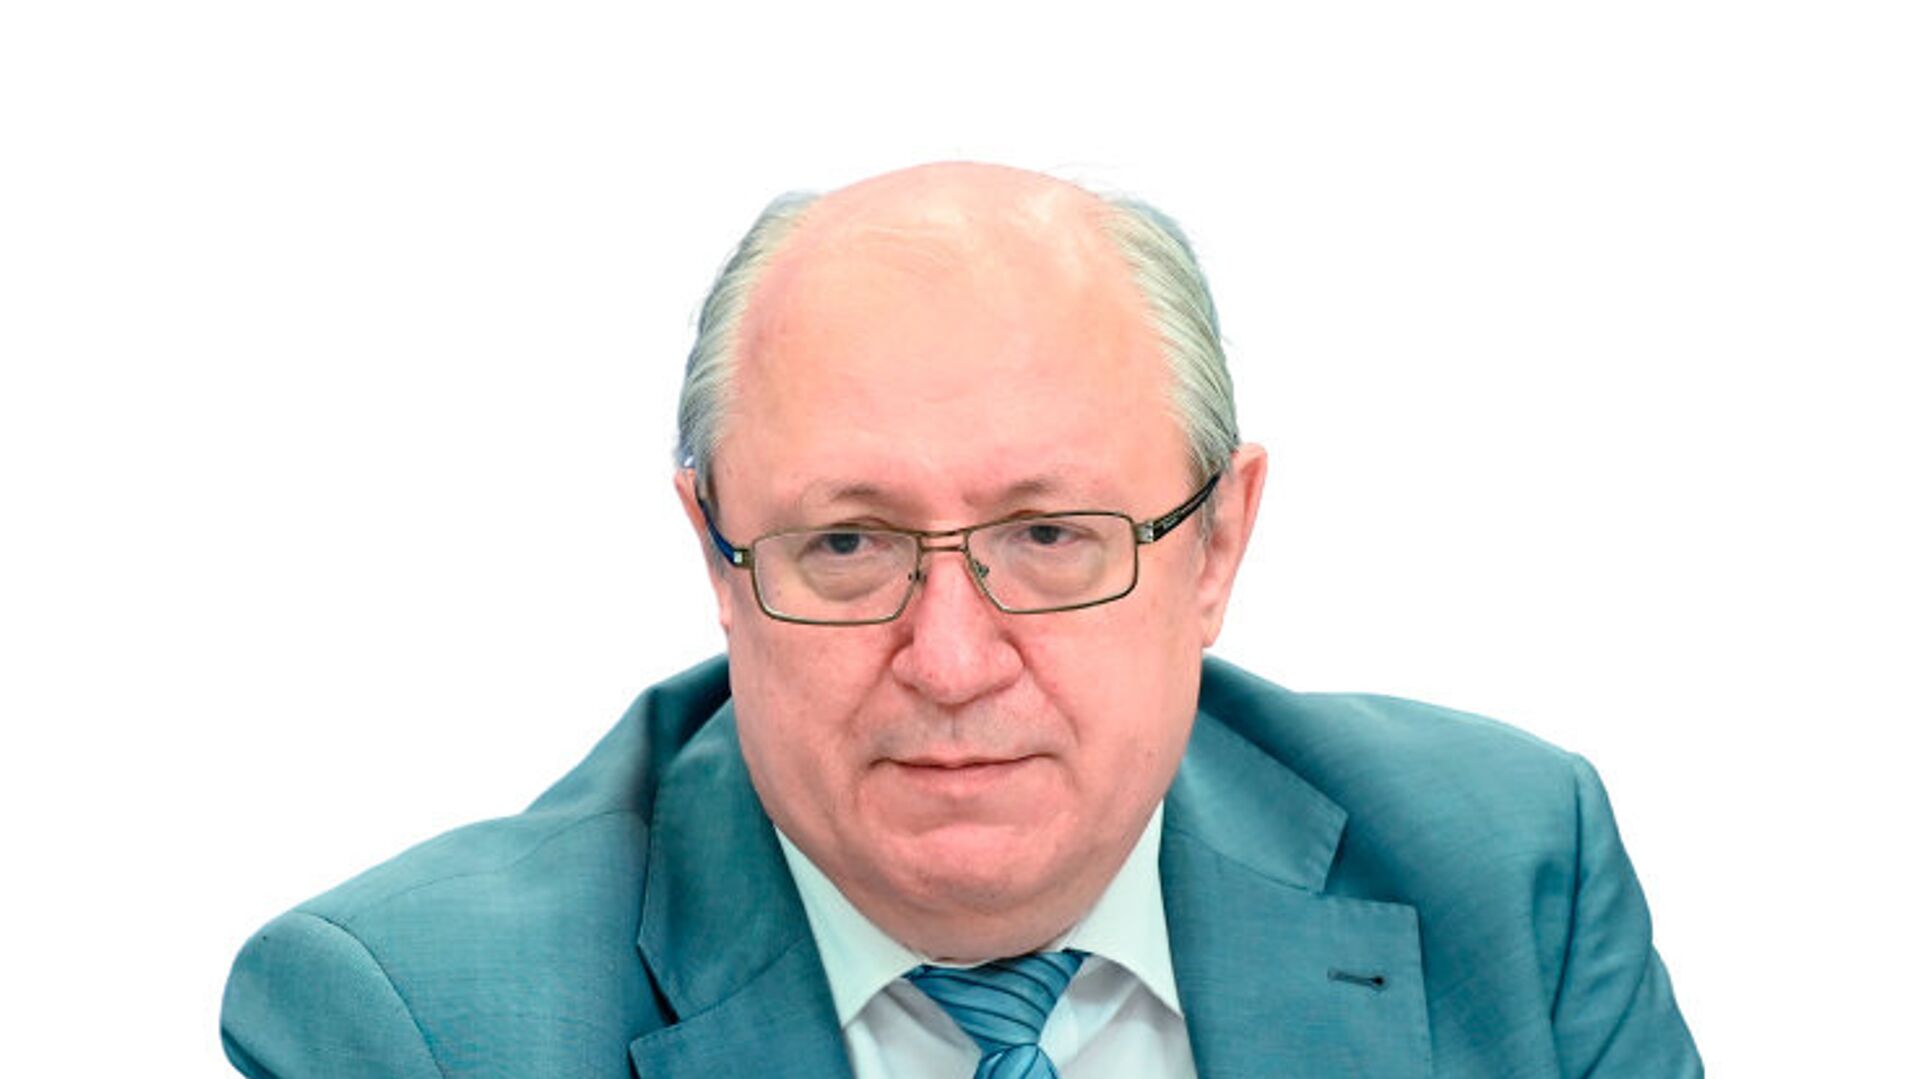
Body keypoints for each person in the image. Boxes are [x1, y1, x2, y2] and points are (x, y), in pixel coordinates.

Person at [221, 162, 1701, 1077]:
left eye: (1050, 537)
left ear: (1217, 546)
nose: (948, 661)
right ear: (719, 559)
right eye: (848, 544)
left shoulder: (1507, 875)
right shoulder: (415, 1025)